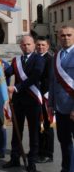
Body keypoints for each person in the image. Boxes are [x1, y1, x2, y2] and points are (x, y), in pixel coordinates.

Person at [3, 35, 45, 172]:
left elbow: (35, 76)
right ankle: (15, 158)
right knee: (17, 130)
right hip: (19, 101)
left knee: (34, 132)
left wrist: (16, 88)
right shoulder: (16, 60)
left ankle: (31, 161)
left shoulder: (39, 59)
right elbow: (8, 71)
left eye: (28, 44)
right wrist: (0, 68)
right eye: (23, 44)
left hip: (33, 100)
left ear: (33, 45)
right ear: (20, 46)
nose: (26, 47)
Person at [49, 26, 74, 172]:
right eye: (63, 35)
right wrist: (51, 104)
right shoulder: (56, 56)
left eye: (69, 35)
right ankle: (66, 168)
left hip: (72, 107)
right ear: (59, 37)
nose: (66, 38)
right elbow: (53, 82)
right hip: (60, 107)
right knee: (64, 142)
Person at [35, 36, 54, 164]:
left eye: (43, 45)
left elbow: (50, 79)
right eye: (38, 45)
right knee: (38, 126)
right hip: (36, 96)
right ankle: (39, 151)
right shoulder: (35, 58)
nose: (40, 47)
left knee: (47, 126)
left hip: (45, 97)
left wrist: (42, 92)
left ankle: (48, 153)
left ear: (47, 46)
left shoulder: (50, 60)